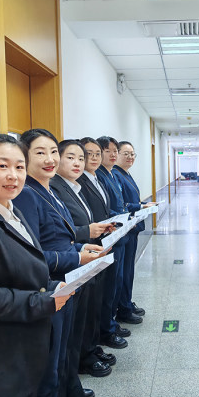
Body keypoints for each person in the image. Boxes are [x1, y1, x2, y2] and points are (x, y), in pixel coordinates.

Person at [0, 134, 72, 397]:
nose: (13, 175)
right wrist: (43, 301)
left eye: (19, 167)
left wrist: (51, 286)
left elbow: (25, 266)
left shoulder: (10, 211)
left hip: (23, 345)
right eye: (2, 166)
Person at [15, 129, 102, 397]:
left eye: (53, 151)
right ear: (24, 157)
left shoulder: (48, 190)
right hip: (47, 288)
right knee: (47, 370)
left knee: (58, 362)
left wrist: (80, 248)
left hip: (64, 286)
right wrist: (76, 256)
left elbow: (59, 236)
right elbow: (33, 254)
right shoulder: (26, 195)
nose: (50, 159)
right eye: (40, 153)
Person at [50, 140, 113, 397]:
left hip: (80, 260)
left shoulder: (71, 187)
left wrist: (83, 242)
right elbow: (53, 237)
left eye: (80, 158)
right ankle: (63, 396)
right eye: (71, 157)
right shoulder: (46, 190)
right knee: (65, 339)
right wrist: (84, 237)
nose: (77, 163)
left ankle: (71, 385)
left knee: (77, 330)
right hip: (61, 273)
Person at [78, 137, 120, 366]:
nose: (93, 158)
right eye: (88, 154)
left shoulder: (97, 179)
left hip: (102, 242)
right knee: (91, 302)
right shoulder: (77, 182)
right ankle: (89, 350)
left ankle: (95, 344)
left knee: (101, 296)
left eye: (96, 154)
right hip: (87, 248)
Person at [112, 141, 156, 324]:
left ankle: (127, 303)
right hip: (126, 228)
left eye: (132, 154)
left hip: (133, 227)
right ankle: (123, 308)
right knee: (124, 272)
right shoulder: (115, 175)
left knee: (128, 270)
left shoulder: (125, 174)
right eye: (126, 154)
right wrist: (141, 206)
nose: (130, 157)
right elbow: (121, 204)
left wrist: (142, 205)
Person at [96, 136, 132, 343]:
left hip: (120, 233)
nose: (112, 154)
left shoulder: (110, 174)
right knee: (110, 285)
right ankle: (107, 328)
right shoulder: (100, 175)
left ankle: (112, 322)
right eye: (107, 151)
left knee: (117, 282)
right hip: (109, 235)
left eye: (114, 151)